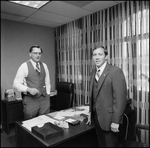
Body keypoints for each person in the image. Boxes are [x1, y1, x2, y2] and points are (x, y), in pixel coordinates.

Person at [86, 46, 127, 147]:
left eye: (100, 54)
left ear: (106, 56)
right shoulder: (93, 73)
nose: (97, 57)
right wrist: (90, 113)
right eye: (94, 55)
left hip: (109, 120)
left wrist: (116, 121)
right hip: (97, 119)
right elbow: (93, 96)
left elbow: (120, 99)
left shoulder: (115, 72)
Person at [13, 45, 51, 120]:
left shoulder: (44, 65)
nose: (38, 55)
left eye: (39, 53)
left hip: (44, 99)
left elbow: (47, 81)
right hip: (30, 100)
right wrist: (28, 89)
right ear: (30, 54)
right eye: (35, 53)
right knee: (30, 122)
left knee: (45, 121)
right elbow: (16, 83)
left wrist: (48, 95)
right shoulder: (24, 66)